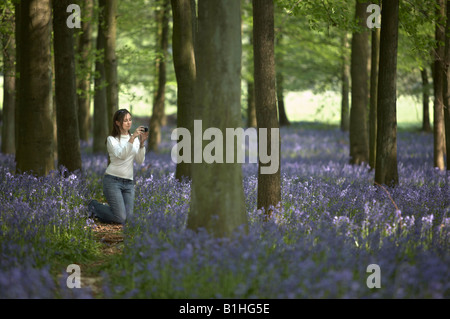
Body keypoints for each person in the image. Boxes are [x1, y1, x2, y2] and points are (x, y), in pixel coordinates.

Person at [88, 109, 149, 224]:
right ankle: (93, 205)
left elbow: (140, 161)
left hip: (129, 183)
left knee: (127, 219)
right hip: (112, 181)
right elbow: (122, 155)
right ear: (117, 123)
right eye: (125, 120)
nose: (129, 122)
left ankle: (102, 212)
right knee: (121, 218)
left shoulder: (135, 140)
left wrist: (141, 144)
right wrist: (132, 138)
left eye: (130, 120)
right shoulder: (112, 139)